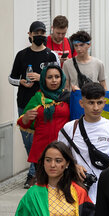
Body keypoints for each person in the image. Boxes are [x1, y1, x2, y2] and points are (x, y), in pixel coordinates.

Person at [10, 21, 59, 187]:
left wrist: (42, 77)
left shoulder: (50, 55)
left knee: (41, 139)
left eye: (42, 33)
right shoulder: (22, 55)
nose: (39, 36)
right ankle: (36, 170)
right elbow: (11, 78)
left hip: (45, 104)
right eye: (36, 33)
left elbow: (58, 78)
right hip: (25, 102)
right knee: (28, 141)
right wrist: (21, 82)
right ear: (30, 35)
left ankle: (34, 174)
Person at [57, 83, 109, 202]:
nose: (96, 108)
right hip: (76, 193)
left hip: (106, 194)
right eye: (91, 103)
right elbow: (58, 158)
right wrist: (72, 166)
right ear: (82, 103)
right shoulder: (69, 128)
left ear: (105, 102)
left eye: (99, 102)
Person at [17, 63, 72, 170]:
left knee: (62, 184)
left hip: (63, 147)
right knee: (43, 184)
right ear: (43, 79)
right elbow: (23, 123)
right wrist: (26, 118)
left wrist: (78, 92)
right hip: (41, 149)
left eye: (57, 77)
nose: (54, 80)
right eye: (49, 77)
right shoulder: (37, 97)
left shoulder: (69, 97)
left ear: (62, 78)